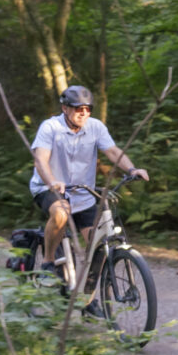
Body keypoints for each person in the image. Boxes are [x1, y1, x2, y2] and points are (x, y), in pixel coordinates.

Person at [30, 85, 148, 288]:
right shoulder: (50, 127)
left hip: (83, 194)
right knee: (61, 213)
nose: (83, 113)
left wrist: (131, 169)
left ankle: (88, 298)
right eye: (78, 108)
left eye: (87, 108)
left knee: (100, 245)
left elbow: (111, 151)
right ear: (65, 108)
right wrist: (52, 182)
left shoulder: (95, 127)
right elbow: (40, 160)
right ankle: (48, 261)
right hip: (49, 189)